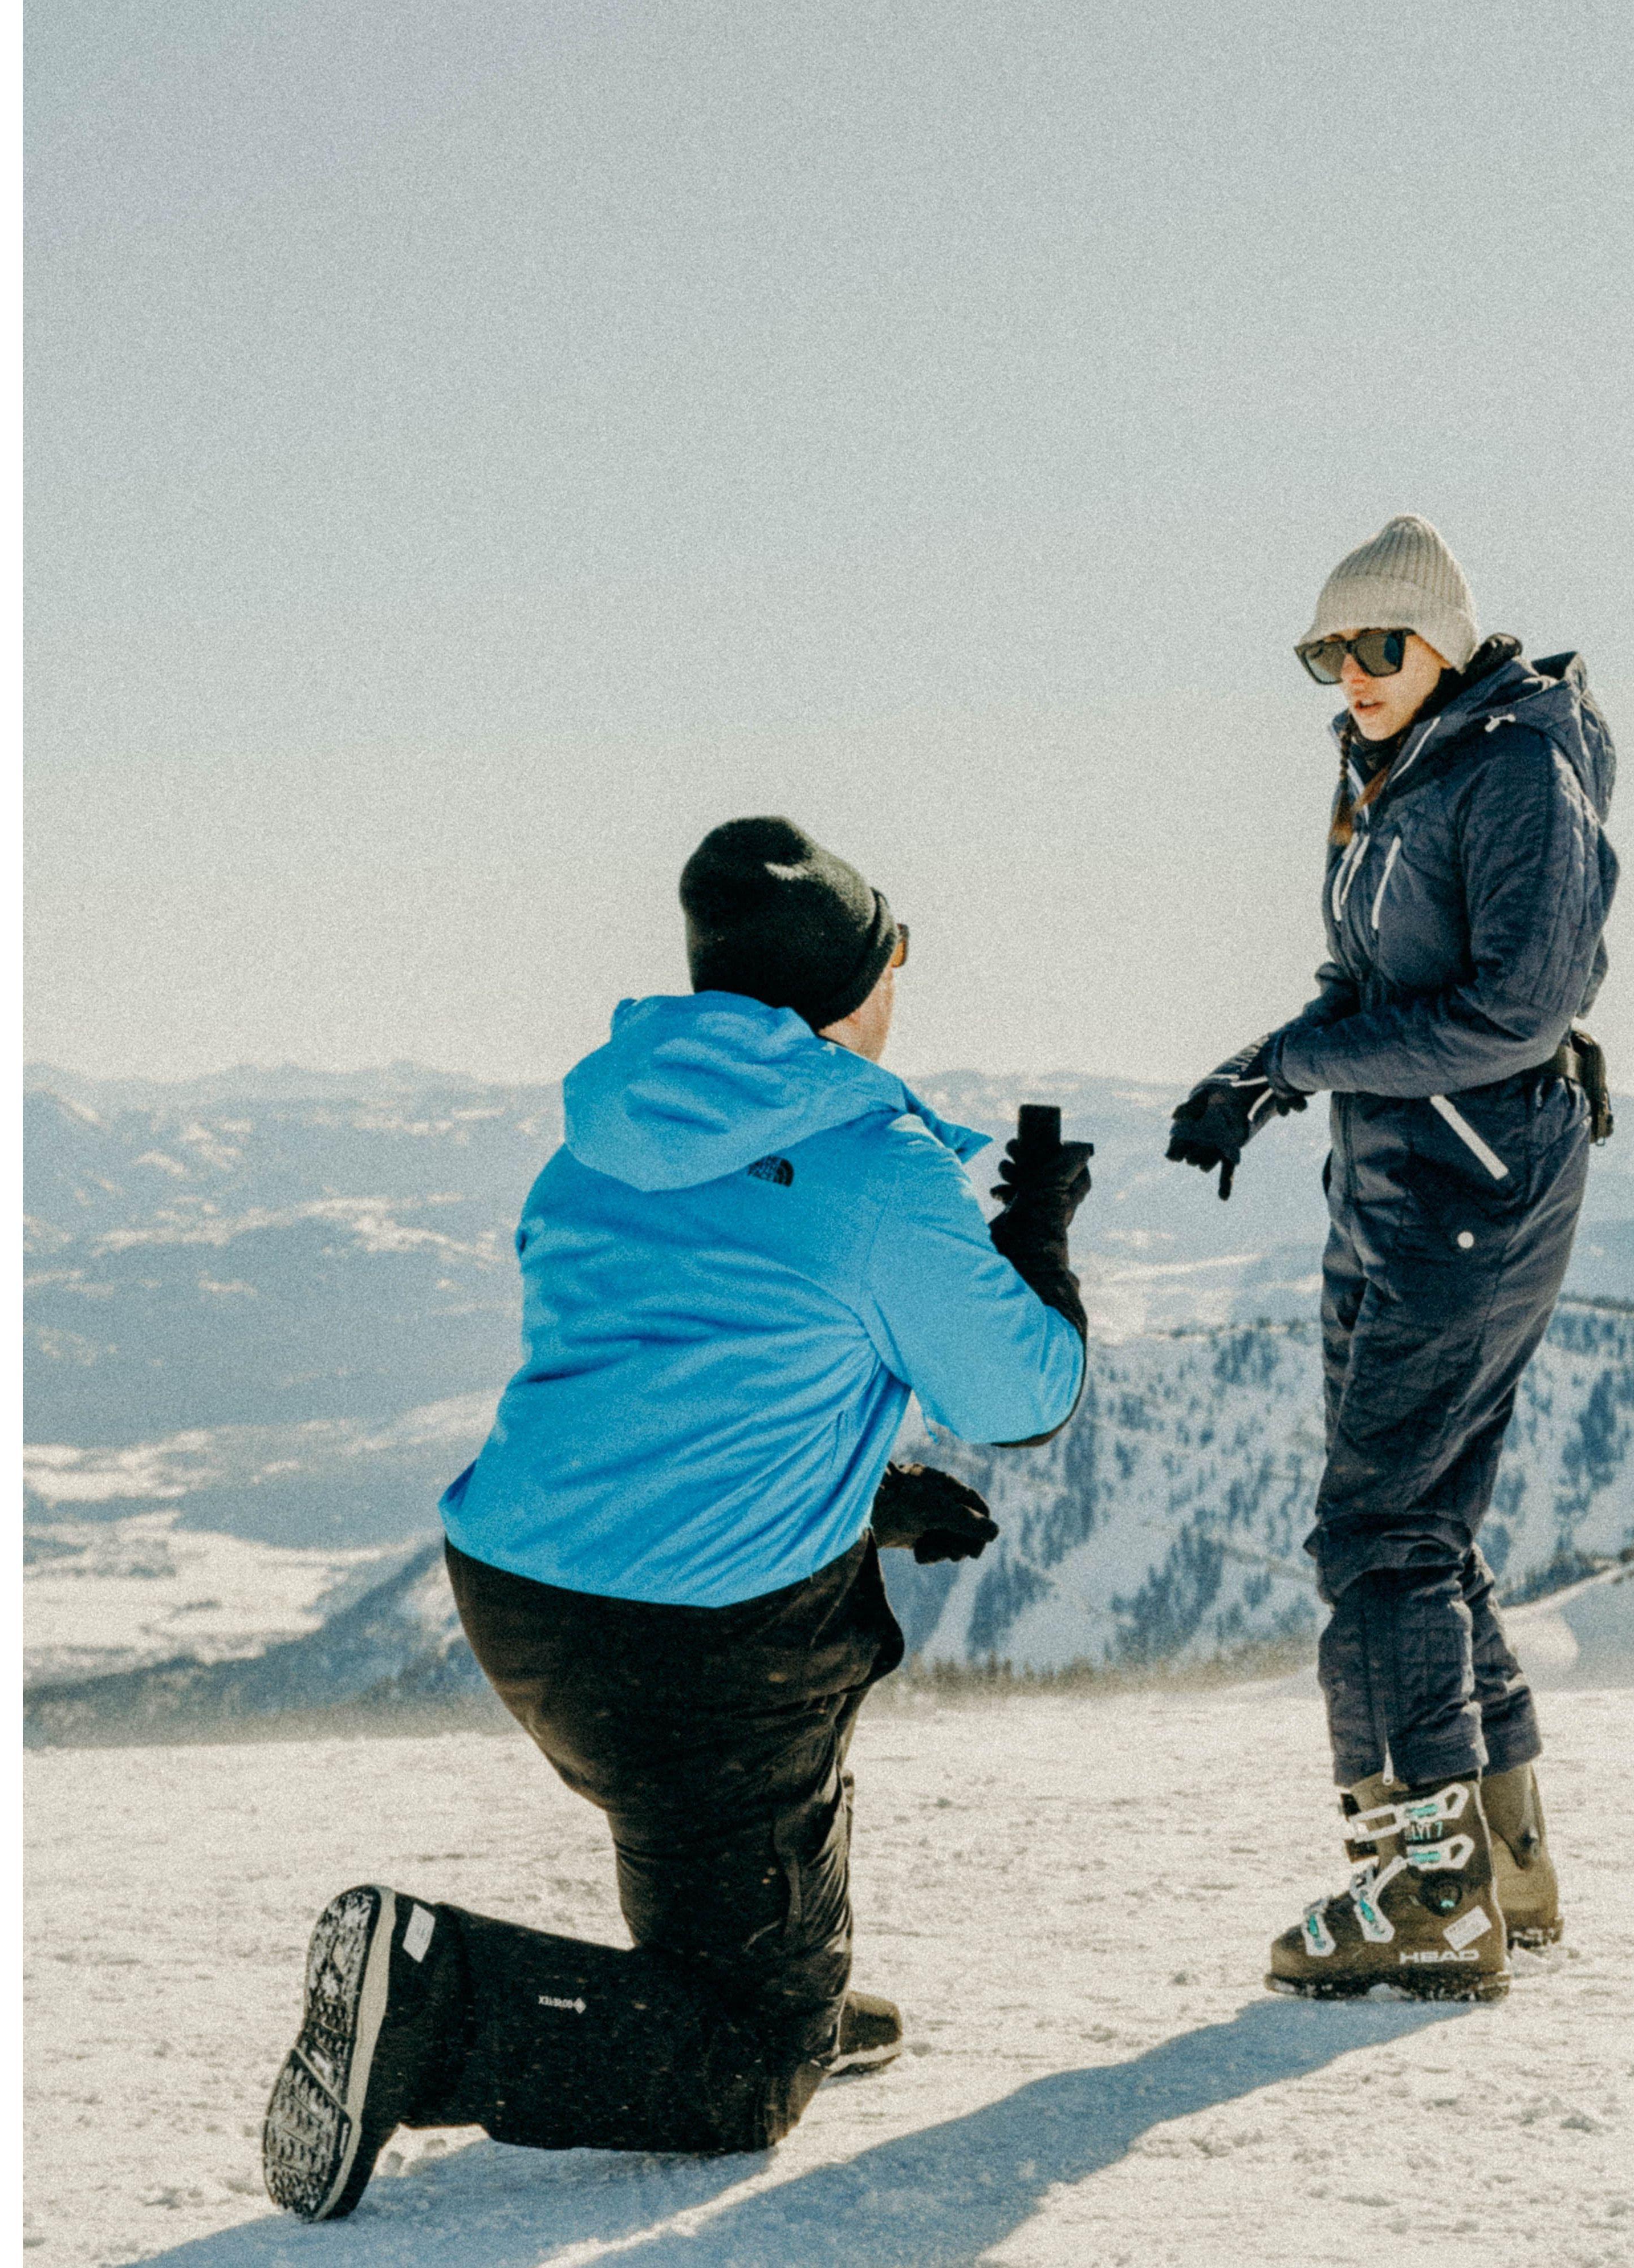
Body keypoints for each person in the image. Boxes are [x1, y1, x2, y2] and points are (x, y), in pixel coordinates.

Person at [259, 815, 1092, 2220]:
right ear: (856, 980)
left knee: (746, 1851)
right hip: (699, 1645)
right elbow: (1024, 1394)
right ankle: (443, 1992)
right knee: (745, 2068)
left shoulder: (599, 1141)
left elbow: (667, 1384)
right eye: (897, 951)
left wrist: (862, 1495)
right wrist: (1040, 1253)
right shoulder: (873, 1169)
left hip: (522, 1594)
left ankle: (772, 1990)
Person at [1166, 514, 1617, 2002]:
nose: (1351, 676)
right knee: (1423, 1522)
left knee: (1379, 1537)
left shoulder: (1512, 770)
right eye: (1328, 653)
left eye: (1378, 646)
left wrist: (1305, 1055)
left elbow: (1517, 1012)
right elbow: (1365, 979)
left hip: (1472, 1190)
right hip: (1393, 1184)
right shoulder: (1386, 766)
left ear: (1441, 637)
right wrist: (1265, 1066)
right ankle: (1505, 1862)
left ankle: (1424, 1896)